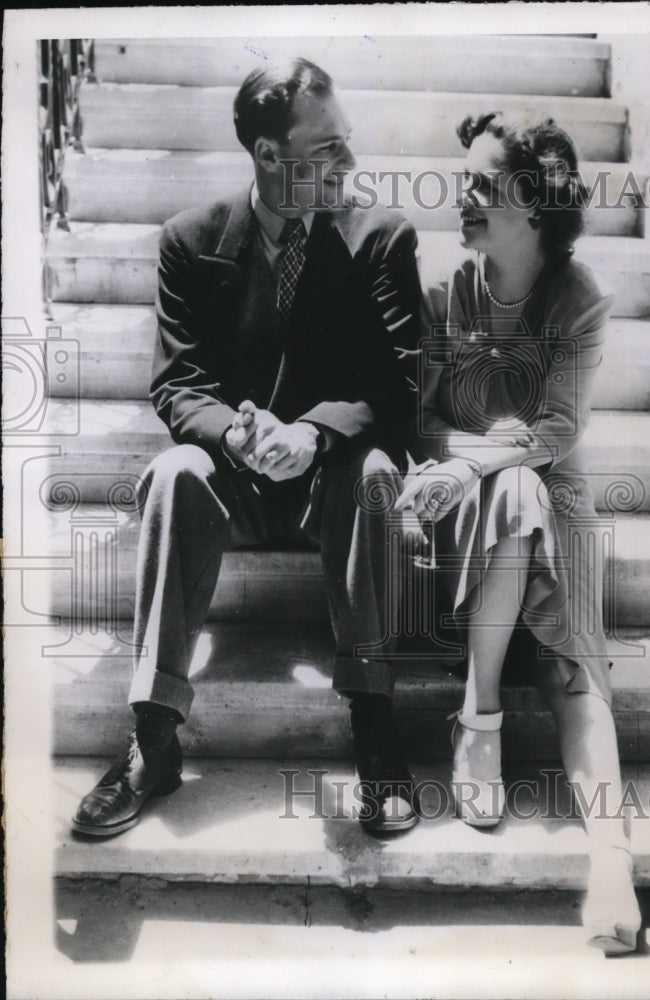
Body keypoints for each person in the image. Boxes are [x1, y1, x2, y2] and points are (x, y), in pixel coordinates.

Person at [72, 58, 423, 839]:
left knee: (374, 471)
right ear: (268, 153)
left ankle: (375, 726)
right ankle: (153, 739)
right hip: (235, 479)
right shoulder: (190, 241)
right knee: (173, 472)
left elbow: (398, 384)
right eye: (326, 147)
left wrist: (311, 433)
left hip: (332, 481)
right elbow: (178, 384)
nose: (349, 160)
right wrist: (236, 432)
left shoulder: (379, 237)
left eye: (345, 140)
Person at [396, 111, 642, 954]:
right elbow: (423, 421)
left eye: (481, 184)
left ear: (534, 204)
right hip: (460, 499)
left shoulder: (578, 299)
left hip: (549, 486)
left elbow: (558, 430)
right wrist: (466, 465)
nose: (459, 195)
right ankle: (479, 715)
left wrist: (478, 463)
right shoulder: (444, 288)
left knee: (577, 667)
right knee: (511, 493)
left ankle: (609, 861)